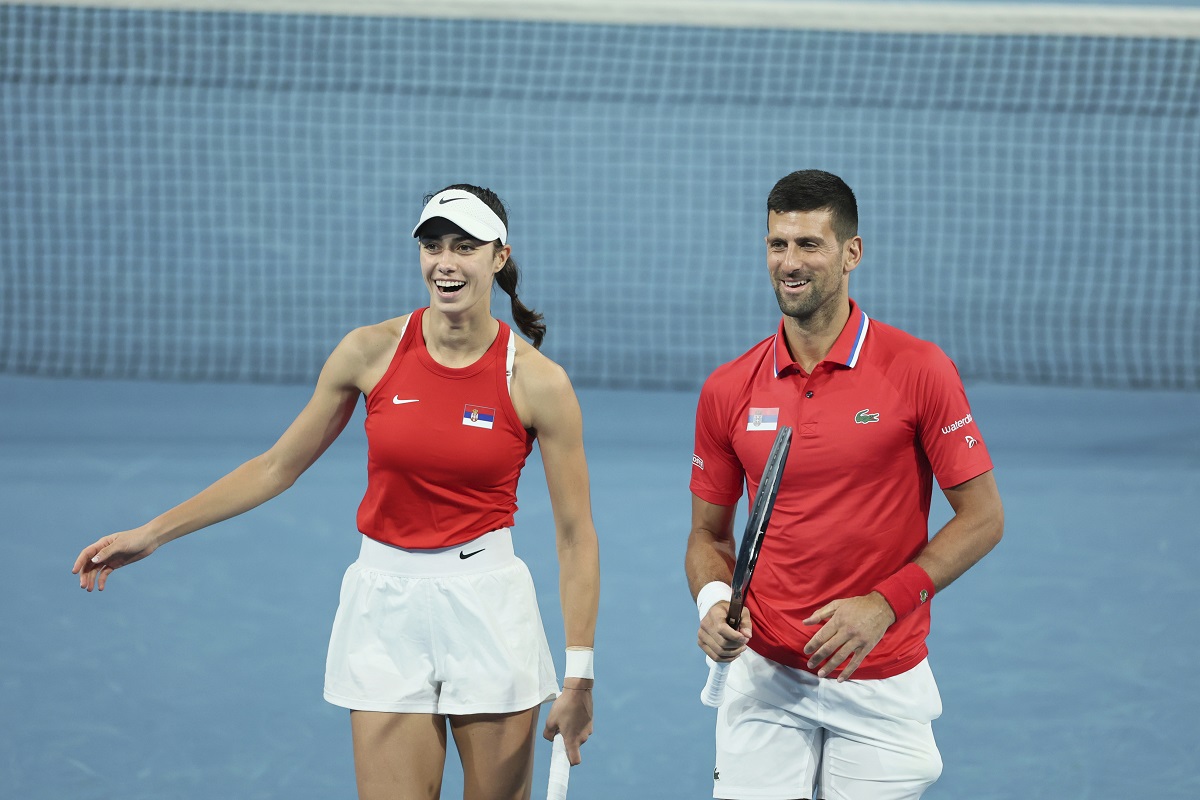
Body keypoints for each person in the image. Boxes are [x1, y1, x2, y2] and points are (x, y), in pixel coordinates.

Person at [72, 184, 600, 800]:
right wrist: (152, 533)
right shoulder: (368, 351)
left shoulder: (539, 382)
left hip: (487, 607)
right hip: (385, 608)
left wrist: (580, 679)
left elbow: (574, 537)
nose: (446, 263)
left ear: (499, 257)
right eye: (433, 246)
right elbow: (276, 467)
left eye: (464, 247)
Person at [685, 170, 1003, 799]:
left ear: (851, 252)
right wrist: (711, 603)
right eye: (778, 244)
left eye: (810, 244)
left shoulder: (919, 371)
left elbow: (983, 517)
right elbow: (706, 534)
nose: (790, 262)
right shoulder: (729, 388)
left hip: (879, 676)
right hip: (766, 675)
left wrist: (885, 604)